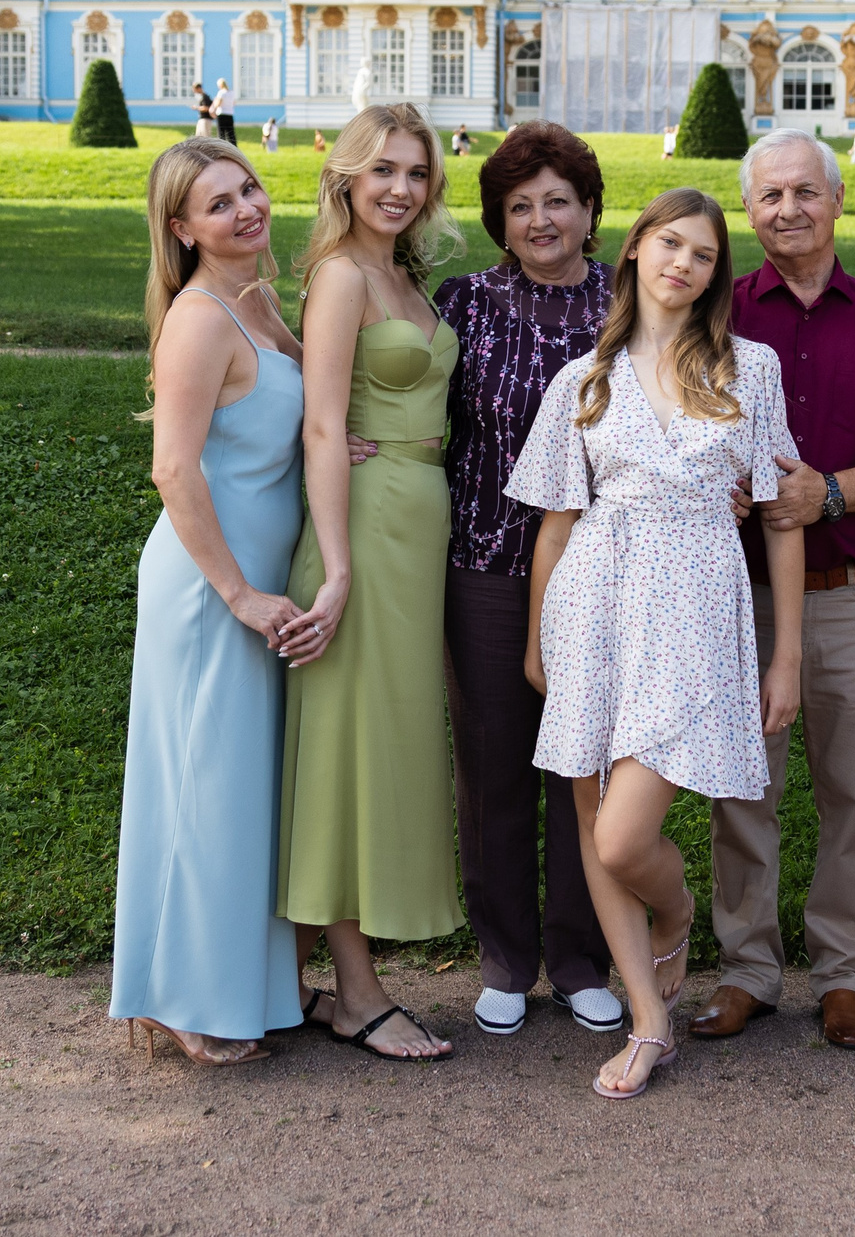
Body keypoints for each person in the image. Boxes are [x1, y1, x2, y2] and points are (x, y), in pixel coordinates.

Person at [510, 187, 806, 1099]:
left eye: (705, 254)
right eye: (670, 243)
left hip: (696, 609)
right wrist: (538, 640)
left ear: (716, 274)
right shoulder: (581, 381)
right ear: (635, 249)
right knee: (594, 825)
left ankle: (674, 915)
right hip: (593, 606)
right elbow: (557, 528)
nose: (683, 262)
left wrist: (785, 652)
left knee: (625, 837)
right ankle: (648, 1019)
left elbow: (785, 517)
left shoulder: (748, 369)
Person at [687, 130, 855, 1053]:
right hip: (731, 593)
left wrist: (825, 490)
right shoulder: (711, 320)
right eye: (767, 197)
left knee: (854, 787)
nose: (786, 210)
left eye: (804, 192)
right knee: (739, 785)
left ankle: (843, 968)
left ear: (838, 200)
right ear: (748, 212)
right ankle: (748, 966)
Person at [113, 137, 322, 1066]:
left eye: (250, 189)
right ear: (181, 228)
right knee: (202, 787)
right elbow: (172, 467)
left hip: (258, 583)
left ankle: (228, 984)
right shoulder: (199, 320)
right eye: (219, 203)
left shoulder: (259, 300)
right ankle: (182, 1000)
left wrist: (334, 447)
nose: (246, 209)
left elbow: (294, 405)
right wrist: (236, 592)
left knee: (236, 793)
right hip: (210, 590)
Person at [279, 103, 466, 1061]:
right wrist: (338, 563)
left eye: (416, 172)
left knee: (384, 741)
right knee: (349, 752)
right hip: (362, 530)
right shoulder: (342, 276)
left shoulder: (404, 274)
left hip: (417, 524)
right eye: (382, 169)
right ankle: (355, 992)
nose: (399, 187)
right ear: (347, 174)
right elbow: (318, 423)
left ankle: (295, 979)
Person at [428, 123, 624, 1040]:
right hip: (486, 567)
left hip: (610, 574)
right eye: (520, 205)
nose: (541, 219)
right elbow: (413, 411)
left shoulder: (632, 306)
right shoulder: (462, 303)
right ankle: (506, 957)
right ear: (499, 222)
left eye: (558, 200)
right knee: (493, 765)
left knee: (584, 772)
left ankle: (582, 956)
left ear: (590, 211)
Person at [213, 77, 237, 146]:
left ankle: (222, 146)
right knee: (231, 132)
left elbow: (218, 104)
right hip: (230, 114)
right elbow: (234, 103)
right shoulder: (232, 93)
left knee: (221, 133)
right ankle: (234, 146)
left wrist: (215, 103)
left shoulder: (221, 93)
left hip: (222, 114)